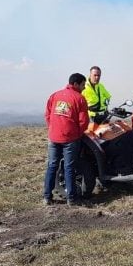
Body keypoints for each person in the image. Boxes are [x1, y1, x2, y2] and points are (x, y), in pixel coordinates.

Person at [43, 73, 89, 206]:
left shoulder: (55, 95)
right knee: (69, 167)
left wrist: (52, 128)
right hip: (70, 139)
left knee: (52, 166)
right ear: (76, 84)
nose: (84, 87)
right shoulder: (79, 98)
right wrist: (77, 134)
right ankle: (72, 199)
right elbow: (83, 122)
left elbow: (47, 114)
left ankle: (47, 197)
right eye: (82, 85)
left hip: (53, 137)